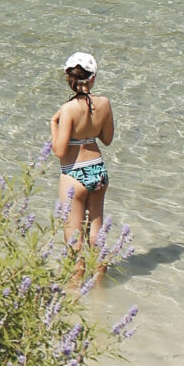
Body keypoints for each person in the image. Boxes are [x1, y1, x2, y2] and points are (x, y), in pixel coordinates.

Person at [51, 50, 113, 257]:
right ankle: (99, 276)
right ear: (92, 78)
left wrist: (53, 123)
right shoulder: (105, 103)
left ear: (69, 79)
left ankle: (75, 278)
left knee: (73, 241)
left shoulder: (68, 109)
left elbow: (59, 151)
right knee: (97, 236)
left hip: (74, 174)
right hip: (98, 169)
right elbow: (107, 139)